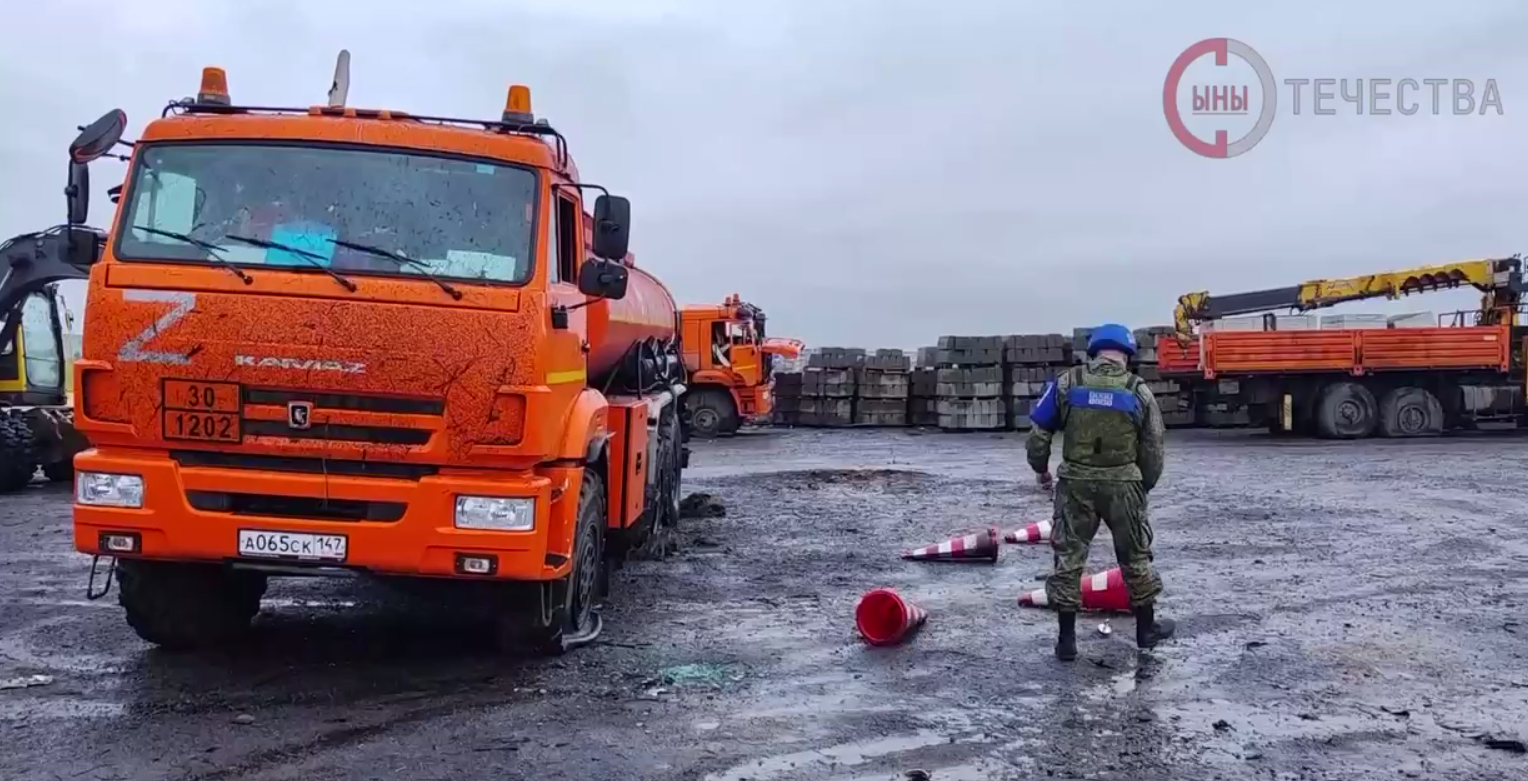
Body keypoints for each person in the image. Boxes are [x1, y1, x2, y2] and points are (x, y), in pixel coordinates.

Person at [1025, 323, 1174, 661]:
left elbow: (1038, 434)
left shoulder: (1067, 383)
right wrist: (1142, 485)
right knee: (1135, 556)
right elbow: (1154, 448)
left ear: (1093, 352)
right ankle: (1145, 630)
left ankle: (1066, 640)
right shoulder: (1139, 391)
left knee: (1069, 557)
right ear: (1126, 354)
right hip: (1124, 487)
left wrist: (1040, 469)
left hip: (1075, 484)